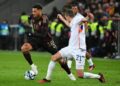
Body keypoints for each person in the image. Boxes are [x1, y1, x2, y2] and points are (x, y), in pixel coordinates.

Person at [39, 9, 105, 83]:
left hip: (78, 50)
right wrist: (61, 18)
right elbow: (68, 24)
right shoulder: (73, 22)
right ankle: (47, 79)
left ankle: (99, 76)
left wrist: (88, 17)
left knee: (80, 75)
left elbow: (83, 20)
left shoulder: (77, 20)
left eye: (65, 16)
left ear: (67, 16)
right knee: (54, 57)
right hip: (70, 48)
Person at [21, 4, 75, 80]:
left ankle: (70, 75)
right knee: (24, 48)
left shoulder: (44, 19)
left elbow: (43, 34)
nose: (33, 13)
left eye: (35, 11)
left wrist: (31, 33)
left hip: (47, 41)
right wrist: (26, 26)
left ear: (40, 11)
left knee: (60, 60)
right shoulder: (32, 17)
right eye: (32, 11)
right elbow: (28, 20)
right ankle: (33, 66)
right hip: (36, 39)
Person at [67, 3, 95, 71]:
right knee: (72, 50)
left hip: (80, 38)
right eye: (73, 8)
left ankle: (91, 64)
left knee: (83, 52)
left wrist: (89, 18)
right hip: (76, 37)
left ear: (78, 9)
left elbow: (84, 21)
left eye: (75, 8)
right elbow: (84, 24)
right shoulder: (76, 17)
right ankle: (68, 67)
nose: (73, 9)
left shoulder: (79, 16)